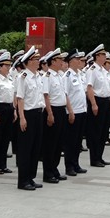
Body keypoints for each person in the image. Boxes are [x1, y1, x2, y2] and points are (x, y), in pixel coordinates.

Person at [15, 47, 45, 190]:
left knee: (35, 148)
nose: (39, 61)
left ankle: (31, 177)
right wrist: (22, 117)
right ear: (29, 61)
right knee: (26, 149)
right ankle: (23, 180)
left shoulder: (38, 76)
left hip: (38, 113)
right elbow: (20, 98)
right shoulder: (23, 77)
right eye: (36, 59)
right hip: (28, 114)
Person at [41, 49, 70, 183]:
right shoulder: (47, 76)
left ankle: (55, 169)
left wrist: (69, 110)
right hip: (52, 110)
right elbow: (46, 96)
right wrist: (50, 114)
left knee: (59, 143)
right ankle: (48, 173)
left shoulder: (59, 76)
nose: (62, 62)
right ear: (53, 61)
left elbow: (64, 94)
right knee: (50, 143)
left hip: (61, 110)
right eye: (59, 60)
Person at [85, 44, 110, 166]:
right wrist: (93, 104)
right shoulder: (92, 70)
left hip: (106, 101)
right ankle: (94, 158)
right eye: (103, 55)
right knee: (96, 131)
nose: (105, 57)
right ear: (97, 56)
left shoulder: (103, 71)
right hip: (97, 101)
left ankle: (100, 156)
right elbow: (89, 88)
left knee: (103, 131)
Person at [63, 51, 88, 176]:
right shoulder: (67, 76)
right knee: (71, 141)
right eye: (77, 59)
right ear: (71, 61)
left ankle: (76, 164)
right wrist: (70, 111)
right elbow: (65, 94)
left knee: (78, 141)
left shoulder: (79, 74)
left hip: (82, 110)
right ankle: (69, 166)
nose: (79, 61)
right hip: (73, 112)